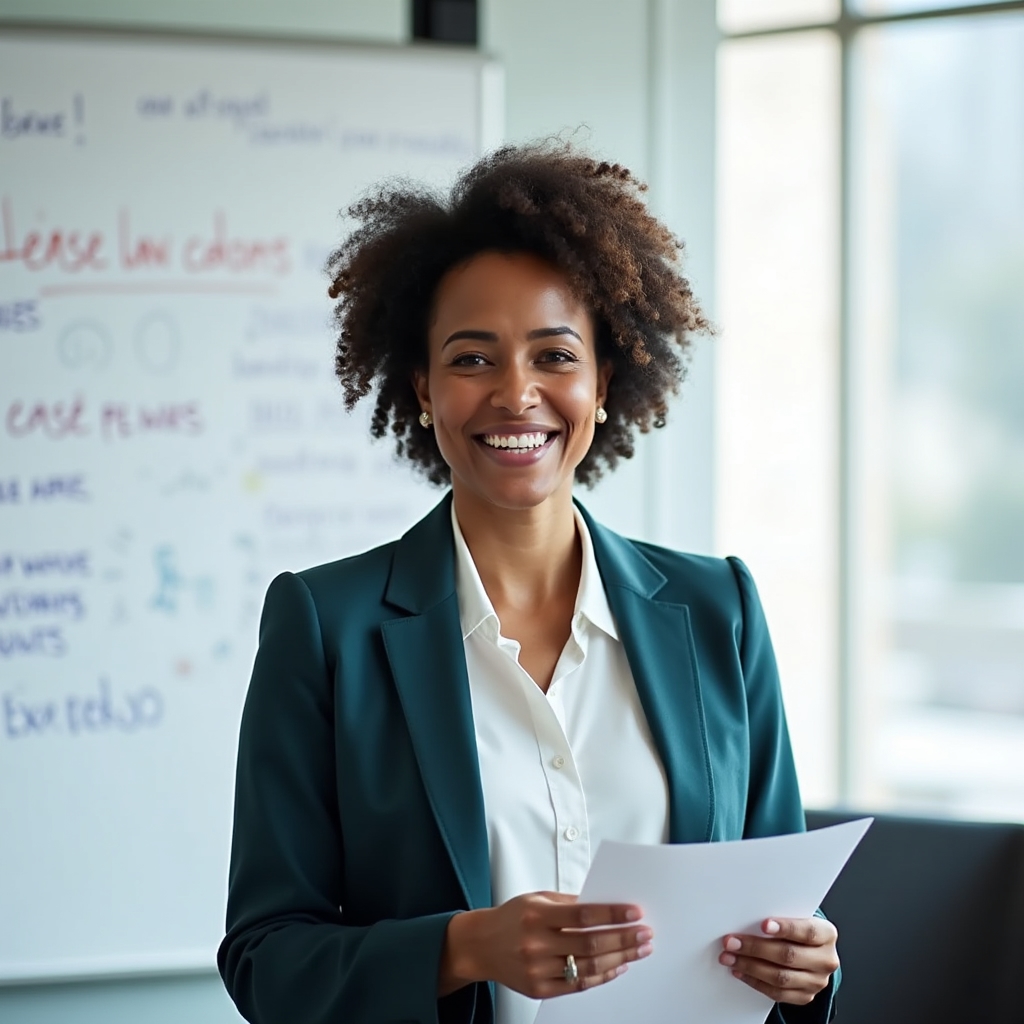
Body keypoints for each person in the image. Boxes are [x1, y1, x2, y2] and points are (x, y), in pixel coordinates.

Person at [217, 143, 840, 1024]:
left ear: (604, 381)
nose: (517, 394)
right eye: (473, 360)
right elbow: (267, 959)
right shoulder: (325, 627)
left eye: (554, 356)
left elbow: (786, 906)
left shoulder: (717, 611)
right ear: (422, 388)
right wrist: (466, 947)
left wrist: (806, 961)